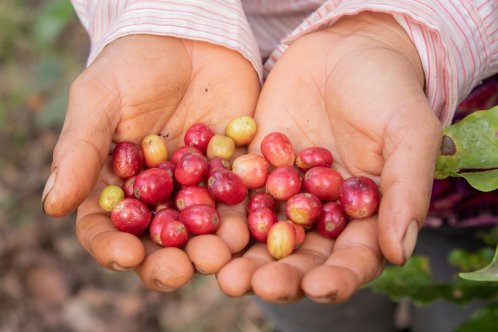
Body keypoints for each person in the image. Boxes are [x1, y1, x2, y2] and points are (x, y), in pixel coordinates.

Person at [41, 1, 497, 331]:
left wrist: (402, 31)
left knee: (460, 304)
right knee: (312, 301)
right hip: (245, 67)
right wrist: (162, 18)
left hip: (458, 122)